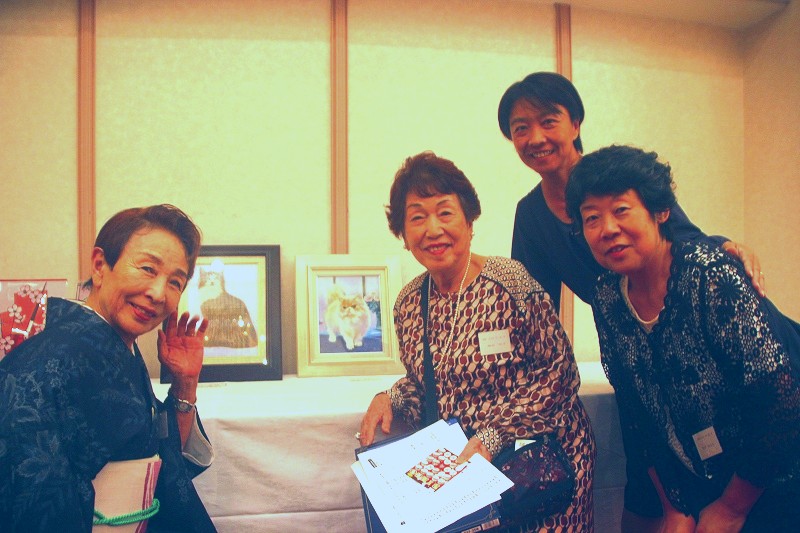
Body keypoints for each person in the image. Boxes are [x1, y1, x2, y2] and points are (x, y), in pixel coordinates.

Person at [498, 72, 765, 532]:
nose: (535, 138)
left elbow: (683, 240)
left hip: (682, 345)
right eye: (521, 128)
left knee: (725, 471)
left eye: (548, 121)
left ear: (575, 123)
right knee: (646, 482)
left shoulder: (618, 176)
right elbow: (535, 308)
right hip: (627, 348)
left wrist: (724, 248)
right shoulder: (531, 213)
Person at [565, 144, 800, 532]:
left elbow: (781, 407)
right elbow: (640, 415)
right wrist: (674, 505)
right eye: (592, 218)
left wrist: (731, 508)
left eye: (621, 210)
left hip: (773, 478)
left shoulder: (710, 277)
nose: (607, 229)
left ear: (660, 211)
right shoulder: (608, 297)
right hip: (699, 478)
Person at [359, 151, 595, 531]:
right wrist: (393, 397)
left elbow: (560, 373)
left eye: (445, 213)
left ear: (469, 222)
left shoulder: (510, 281)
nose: (433, 229)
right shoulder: (409, 303)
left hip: (539, 467)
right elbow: (431, 385)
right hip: (471, 476)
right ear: (403, 235)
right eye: (417, 217)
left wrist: (496, 433)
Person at [0, 204, 217, 532]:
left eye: (175, 282)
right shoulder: (52, 360)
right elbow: (35, 503)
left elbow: (159, 456)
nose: (158, 293)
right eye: (147, 268)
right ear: (100, 265)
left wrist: (185, 382)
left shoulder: (115, 346)